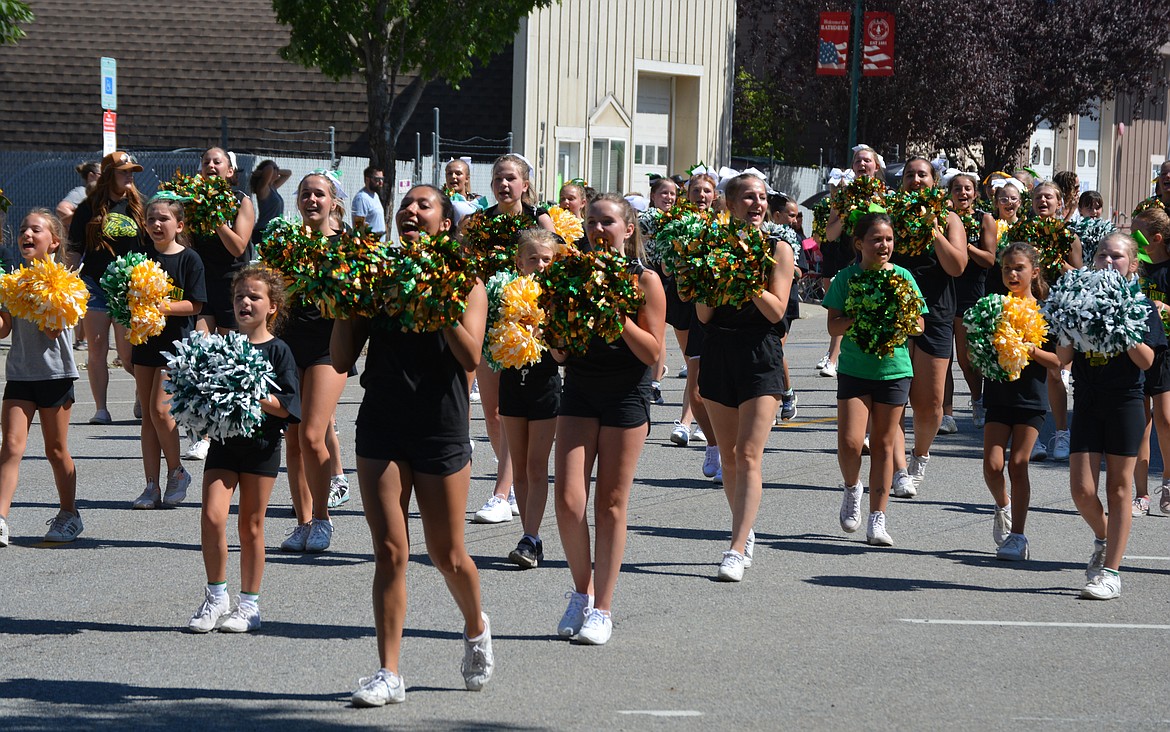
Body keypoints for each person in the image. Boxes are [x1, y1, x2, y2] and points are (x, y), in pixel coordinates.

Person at [333, 184, 494, 705]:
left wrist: (439, 298)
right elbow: (340, 358)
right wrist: (343, 299)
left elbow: (471, 357)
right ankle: (389, 673)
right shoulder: (375, 276)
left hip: (439, 424)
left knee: (447, 554)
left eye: (424, 205)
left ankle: (475, 627)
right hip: (381, 422)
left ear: (445, 224)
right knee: (389, 551)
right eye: (406, 205)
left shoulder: (467, 281)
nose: (411, 211)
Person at [554, 193, 665, 642]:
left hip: (625, 394)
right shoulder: (571, 276)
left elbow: (654, 354)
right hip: (580, 387)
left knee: (611, 504)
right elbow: (561, 351)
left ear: (628, 229)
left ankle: (603, 608)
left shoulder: (646, 281)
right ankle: (581, 592)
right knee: (568, 500)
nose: (598, 230)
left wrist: (614, 313)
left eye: (607, 223)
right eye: (592, 223)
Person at [187, 266, 300, 633]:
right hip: (224, 444)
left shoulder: (279, 351)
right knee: (212, 516)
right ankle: (216, 596)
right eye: (239, 297)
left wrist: (251, 389)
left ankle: (249, 605)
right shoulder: (222, 345)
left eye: (254, 297)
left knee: (251, 526)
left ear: (272, 308)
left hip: (261, 447)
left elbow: (288, 406)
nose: (245, 303)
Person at [696, 173, 794, 580]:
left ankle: (735, 548)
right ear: (730, 205)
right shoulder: (711, 248)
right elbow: (703, 314)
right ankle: (744, 527)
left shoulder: (779, 248)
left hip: (760, 353)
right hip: (720, 351)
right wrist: (705, 277)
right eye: (748, 198)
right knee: (731, 455)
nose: (757, 204)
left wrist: (744, 275)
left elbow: (776, 311)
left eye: (762, 198)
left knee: (750, 454)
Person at [1060, 232, 1165, 600]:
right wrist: (1067, 321)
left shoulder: (1142, 305)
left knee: (1118, 488)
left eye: (1117, 257)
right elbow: (1063, 358)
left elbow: (1148, 362)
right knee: (1082, 489)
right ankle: (1103, 536)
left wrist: (1121, 323)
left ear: (1133, 265)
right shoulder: (1079, 299)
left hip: (1125, 401)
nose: (1108, 262)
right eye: (1102, 255)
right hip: (1088, 399)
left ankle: (1111, 572)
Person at [825, 210, 925, 546]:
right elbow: (833, 325)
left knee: (883, 445)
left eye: (888, 240)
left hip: (894, 371)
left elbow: (920, 326)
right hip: (855, 369)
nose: (884, 245)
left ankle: (877, 519)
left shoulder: (903, 277)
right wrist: (861, 315)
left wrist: (896, 315)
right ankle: (852, 487)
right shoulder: (845, 279)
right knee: (852, 442)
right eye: (876, 240)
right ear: (859, 243)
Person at [466, 153, 554, 524]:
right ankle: (516, 481)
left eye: (511, 179)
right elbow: (464, 263)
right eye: (498, 178)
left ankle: (502, 493)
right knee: (491, 413)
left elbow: (559, 260)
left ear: (525, 184)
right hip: (488, 323)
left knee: (508, 408)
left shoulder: (538, 219)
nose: (504, 185)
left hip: (525, 327)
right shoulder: (479, 222)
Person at [278, 172, 351, 553]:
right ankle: (303, 522)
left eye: (318, 194)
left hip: (329, 346)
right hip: (290, 344)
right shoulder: (287, 244)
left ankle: (323, 519)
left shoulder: (347, 244)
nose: (311, 200)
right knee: (293, 440)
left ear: (333, 202)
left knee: (312, 433)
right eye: (305, 194)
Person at [0, 211, 82, 546]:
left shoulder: (67, 281)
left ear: (55, 240)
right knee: (10, 447)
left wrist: (39, 292)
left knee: (56, 450)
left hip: (55, 374)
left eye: (36, 229)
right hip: (20, 373)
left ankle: (69, 514)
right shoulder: (12, 280)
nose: (27, 234)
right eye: (23, 230)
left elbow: (52, 330)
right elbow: (4, 328)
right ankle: (1, 519)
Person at [889, 157, 968, 497]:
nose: (916, 179)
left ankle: (919, 455)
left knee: (931, 403)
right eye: (910, 175)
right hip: (892, 311)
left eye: (923, 174)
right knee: (893, 396)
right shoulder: (890, 216)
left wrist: (933, 227)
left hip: (935, 312)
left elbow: (957, 266)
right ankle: (898, 470)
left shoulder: (949, 219)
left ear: (934, 181)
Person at [980, 243, 1058, 561]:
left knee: (1018, 464)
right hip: (998, 394)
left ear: (1034, 272)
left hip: (1031, 398)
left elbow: (1058, 361)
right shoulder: (992, 308)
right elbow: (978, 348)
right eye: (1007, 268)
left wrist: (1030, 349)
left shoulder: (1045, 311)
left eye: (1019, 268)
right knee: (993, 465)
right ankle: (1003, 505)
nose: (1012, 274)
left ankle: (1018, 536)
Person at [130, 194, 206, 509]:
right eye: (151, 219)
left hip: (176, 345)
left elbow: (196, 304)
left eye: (163, 219)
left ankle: (176, 471)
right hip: (145, 342)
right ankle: (151, 485)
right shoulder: (139, 257)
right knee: (148, 416)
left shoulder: (189, 259)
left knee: (162, 411)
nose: (157, 224)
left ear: (180, 225)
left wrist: (162, 307)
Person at [66, 151, 147, 425]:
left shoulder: (139, 206)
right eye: (124, 171)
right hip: (95, 285)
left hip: (129, 289)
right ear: (109, 174)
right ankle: (101, 409)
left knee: (127, 356)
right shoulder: (88, 207)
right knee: (96, 350)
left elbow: (150, 248)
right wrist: (67, 278)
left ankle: (142, 390)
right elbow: (75, 248)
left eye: (131, 172)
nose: (130, 176)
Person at [186, 147, 256, 460]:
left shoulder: (241, 200)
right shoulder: (191, 201)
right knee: (200, 359)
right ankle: (202, 435)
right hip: (202, 285)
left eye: (217, 162)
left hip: (233, 285)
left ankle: (235, 426)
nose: (211, 165)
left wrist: (214, 217)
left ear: (230, 171)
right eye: (206, 162)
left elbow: (238, 245)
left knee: (229, 363)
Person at [501, 230, 562, 568]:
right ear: (519, 262)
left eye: (546, 259)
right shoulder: (506, 294)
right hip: (512, 384)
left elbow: (562, 353)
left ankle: (530, 536)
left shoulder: (557, 297)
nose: (539, 265)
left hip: (545, 386)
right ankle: (531, 536)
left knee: (537, 466)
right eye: (533, 259)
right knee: (520, 468)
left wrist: (544, 325)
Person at [1026, 181, 1084, 463]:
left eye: (1049, 197)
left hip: (1058, 310)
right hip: (1027, 308)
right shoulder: (1021, 234)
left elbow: (1079, 275)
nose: (1043, 201)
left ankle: (1062, 432)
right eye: (1038, 197)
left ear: (1060, 203)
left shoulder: (1069, 236)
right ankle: (1031, 435)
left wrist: (1057, 260)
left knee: (1053, 371)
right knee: (1026, 371)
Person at [669, 170, 719, 485]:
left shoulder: (724, 226)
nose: (701, 195)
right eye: (696, 190)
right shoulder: (677, 227)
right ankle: (713, 444)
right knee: (696, 383)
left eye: (706, 191)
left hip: (722, 309)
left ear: (715, 196)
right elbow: (667, 264)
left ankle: (725, 446)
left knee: (723, 384)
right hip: (689, 303)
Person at [821, 144, 887, 378]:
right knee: (848, 315)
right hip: (851, 264)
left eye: (867, 161)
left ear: (876, 166)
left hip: (880, 266)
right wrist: (846, 213)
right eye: (858, 161)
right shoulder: (842, 198)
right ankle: (835, 359)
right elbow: (830, 235)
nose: (862, 165)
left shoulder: (887, 196)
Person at [943, 170, 997, 431]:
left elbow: (989, 259)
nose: (962, 193)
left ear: (975, 194)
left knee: (967, 359)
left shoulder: (985, 219)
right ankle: (947, 415)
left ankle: (978, 400)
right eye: (957, 189)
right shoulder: (943, 218)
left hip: (971, 294)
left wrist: (963, 245)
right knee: (943, 359)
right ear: (950, 194)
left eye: (967, 189)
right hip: (945, 290)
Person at [1132, 206, 1170, 516]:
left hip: (1166, 352)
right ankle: (1141, 495)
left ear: (1155, 238)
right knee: (1139, 424)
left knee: (1166, 421)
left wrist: (1165, 308)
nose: (1131, 236)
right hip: (1137, 351)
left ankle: (1168, 481)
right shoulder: (1134, 269)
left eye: (1137, 232)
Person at [640, 175, 678, 405]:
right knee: (653, 327)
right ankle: (651, 381)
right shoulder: (643, 220)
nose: (669, 197)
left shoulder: (678, 221)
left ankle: (655, 382)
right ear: (653, 196)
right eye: (664, 193)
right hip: (648, 273)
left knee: (662, 330)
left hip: (669, 276)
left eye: (672, 193)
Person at [249, 159, 291, 244]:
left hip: (274, 232)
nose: (276, 171)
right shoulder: (262, 187)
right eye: (274, 168)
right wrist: (266, 171)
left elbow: (288, 173)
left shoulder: (273, 187)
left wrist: (275, 170)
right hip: (263, 231)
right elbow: (269, 169)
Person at [56, 160, 100, 232]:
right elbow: (61, 208)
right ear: (91, 175)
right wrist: (80, 220)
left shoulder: (104, 192)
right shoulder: (81, 192)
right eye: (101, 174)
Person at [351, 165, 386, 239]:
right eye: (377, 179)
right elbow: (358, 228)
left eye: (382, 179)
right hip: (370, 247)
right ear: (367, 179)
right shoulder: (361, 198)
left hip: (380, 246)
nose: (381, 182)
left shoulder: (375, 195)